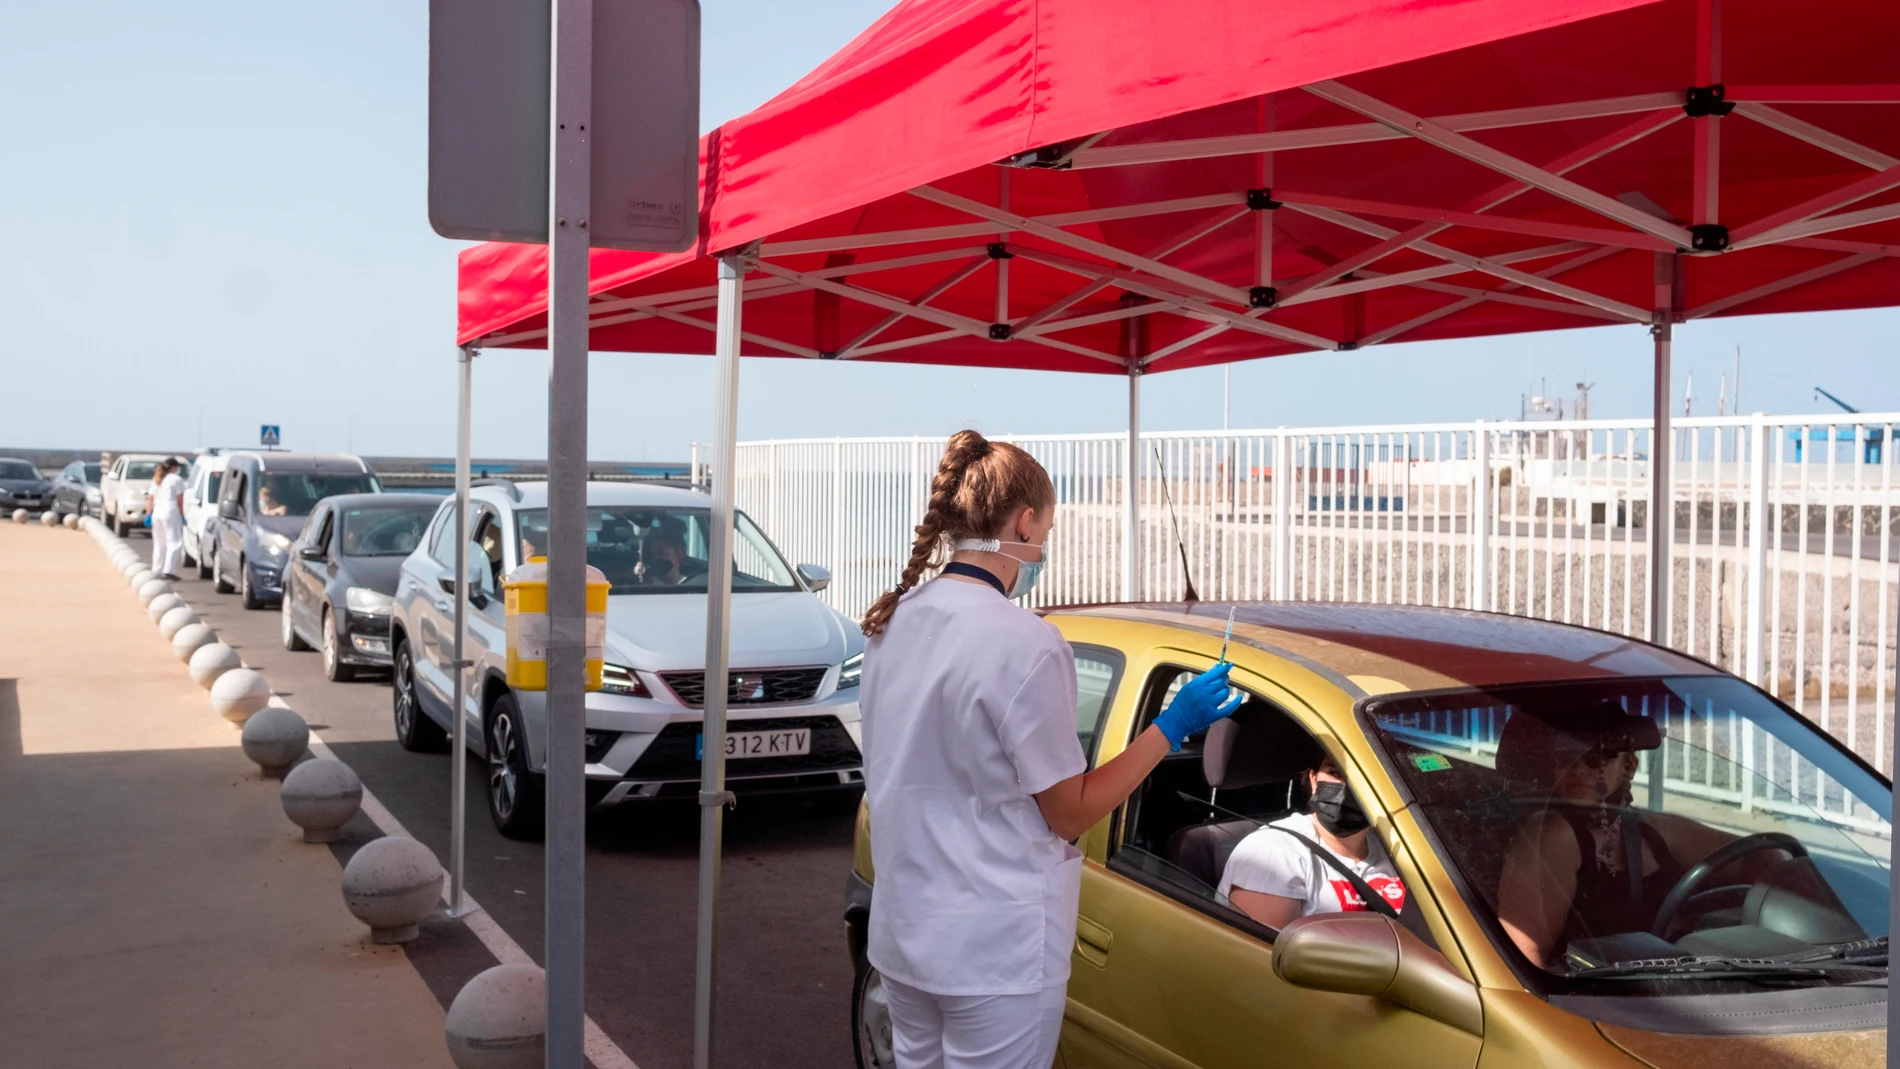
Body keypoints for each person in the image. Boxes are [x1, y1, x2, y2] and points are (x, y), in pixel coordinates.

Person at [859, 429, 1243, 1069]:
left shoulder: (891, 620)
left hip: (905, 939)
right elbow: (1069, 813)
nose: (1043, 547)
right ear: (1025, 519)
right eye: (1047, 531)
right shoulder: (1026, 643)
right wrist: (1174, 724)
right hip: (991, 951)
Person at [1493, 701, 1749, 968]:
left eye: (1598, 757)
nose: (1580, 768)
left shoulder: (1652, 829)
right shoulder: (1552, 835)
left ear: (1630, 766)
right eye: (1565, 757)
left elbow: (1758, 855)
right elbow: (1522, 962)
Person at [1219, 754, 1408, 926]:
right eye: (1335, 772)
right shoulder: (1272, 852)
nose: (1347, 786)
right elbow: (1264, 955)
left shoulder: (1400, 851)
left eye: (1362, 774)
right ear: (1313, 779)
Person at [149, 458, 188, 580]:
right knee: (174, 541)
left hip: (157, 512)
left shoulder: (157, 479)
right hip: (170, 511)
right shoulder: (176, 479)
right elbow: (179, 499)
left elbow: (150, 498)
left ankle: (156, 570)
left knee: (159, 543)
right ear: (173, 467)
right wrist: (182, 514)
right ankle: (168, 570)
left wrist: (148, 514)